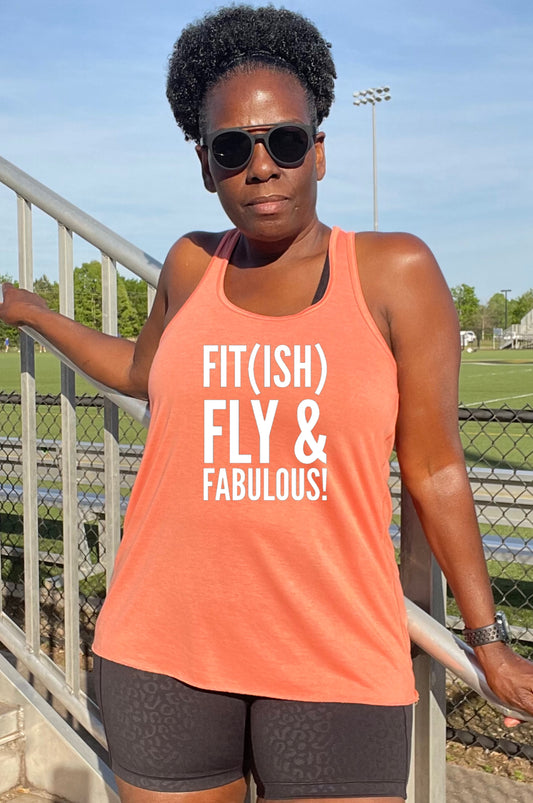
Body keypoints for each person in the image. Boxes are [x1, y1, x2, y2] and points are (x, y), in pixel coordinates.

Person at [1, 5, 533, 802]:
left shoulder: (394, 272)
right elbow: (142, 372)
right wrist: (32, 313)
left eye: (284, 141)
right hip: (161, 644)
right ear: (204, 164)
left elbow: (434, 466)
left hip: (334, 653)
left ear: (318, 150)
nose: (262, 167)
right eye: (232, 149)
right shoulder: (189, 264)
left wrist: (488, 638)